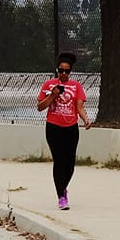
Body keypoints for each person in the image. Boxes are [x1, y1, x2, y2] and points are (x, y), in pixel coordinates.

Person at [36, 51, 92, 210]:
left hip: (71, 128)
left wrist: (85, 119)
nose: (64, 74)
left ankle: (63, 186)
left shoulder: (76, 86)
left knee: (70, 164)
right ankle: (61, 196)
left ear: (70, 72)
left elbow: (79, 106)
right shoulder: (49, 85)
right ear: (57, 70)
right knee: (59, 161)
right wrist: (53, 95)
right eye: (61, 70)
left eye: (67, 71)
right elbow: (40, 107)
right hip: (53, 127)